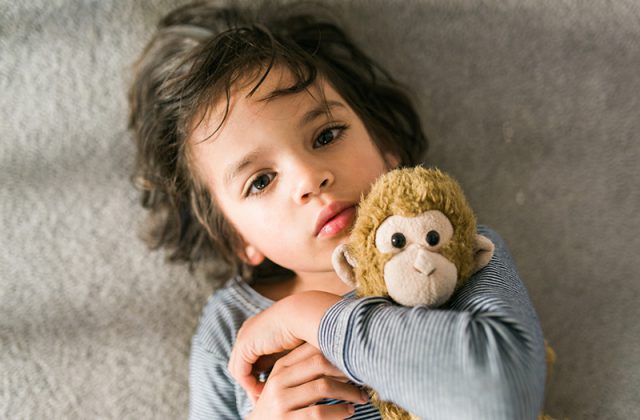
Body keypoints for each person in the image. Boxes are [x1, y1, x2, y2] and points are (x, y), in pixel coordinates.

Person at [128, 1, 547, 419]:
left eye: (327, 135)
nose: (309, 178)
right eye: (260, 181)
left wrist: (311, 316)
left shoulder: (453, 247)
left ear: (385, 146)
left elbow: (506, 400)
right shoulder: (230, 327)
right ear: (238, 238)